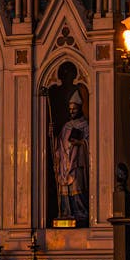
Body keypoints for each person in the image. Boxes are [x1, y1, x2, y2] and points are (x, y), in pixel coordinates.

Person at [50, 90, 89, 224]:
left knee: (77, 188)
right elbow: (58, 144)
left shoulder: (85, 125)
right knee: (65, 190)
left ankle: (80, 214)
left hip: (77, 162)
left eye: (74, 109)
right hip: (64, 163)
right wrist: (53, 135)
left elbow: (91, 144)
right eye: (70, 109)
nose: (72, 112)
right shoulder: (66, 126)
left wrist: (81, 143)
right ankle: (67, 212)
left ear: (80, 109)